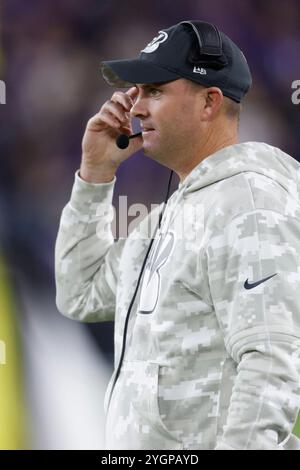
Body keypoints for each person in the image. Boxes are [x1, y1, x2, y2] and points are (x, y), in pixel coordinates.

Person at [55, 20, 300, 450]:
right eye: (138, 93)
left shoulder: (250, 202)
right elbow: (79, 291)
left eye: (155, 91)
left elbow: (272, 365)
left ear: (209, 102)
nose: (134, 109)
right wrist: (95, 175)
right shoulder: (172, 215)